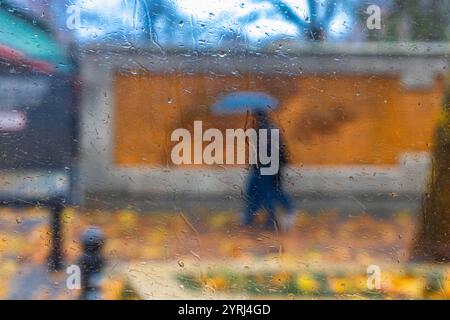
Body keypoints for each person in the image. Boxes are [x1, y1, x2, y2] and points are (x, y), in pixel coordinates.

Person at [242, 111, 295, 231]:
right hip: (264, 167)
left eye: (254, 117)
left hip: (265, 168)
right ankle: (252, 218)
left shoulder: (266, 130)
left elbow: (270, 152)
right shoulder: (266, 128)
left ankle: (267, 220)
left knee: (265, 193)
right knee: (261, 192)